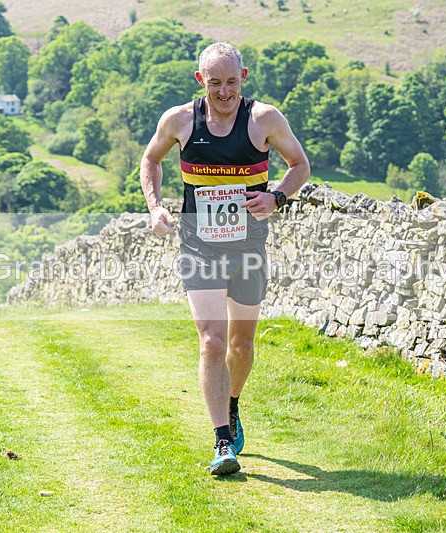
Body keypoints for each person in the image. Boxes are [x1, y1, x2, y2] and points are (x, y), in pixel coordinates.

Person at [140, 42, 310, 475]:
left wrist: (276, 197)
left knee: (241, 344)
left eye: (231, 81)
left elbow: (299, 166)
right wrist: (155, 205)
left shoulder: (264, 119)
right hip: (199, 245)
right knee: (212, 340)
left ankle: (232, 406)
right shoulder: (179, 120)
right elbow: (151, 159)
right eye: (214, 82)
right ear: (201, 81)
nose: (223, 91)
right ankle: (221, 443)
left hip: (249, 245)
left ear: (244, 77)